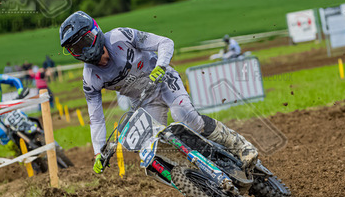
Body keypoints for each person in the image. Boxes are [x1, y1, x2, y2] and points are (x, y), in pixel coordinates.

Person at [59, 11, 258, 174]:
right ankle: (202, 183)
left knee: (185, 116)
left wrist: (161, 66)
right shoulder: (90, 78)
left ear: (95, 32)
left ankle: (241, 146)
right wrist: (98, 152)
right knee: (153, 151)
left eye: (84, 42)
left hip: (163, 81)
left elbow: (165, 42)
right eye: (75, 48)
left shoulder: (121, 36)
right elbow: (96, 118)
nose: (83, 50)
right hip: (144, 102)